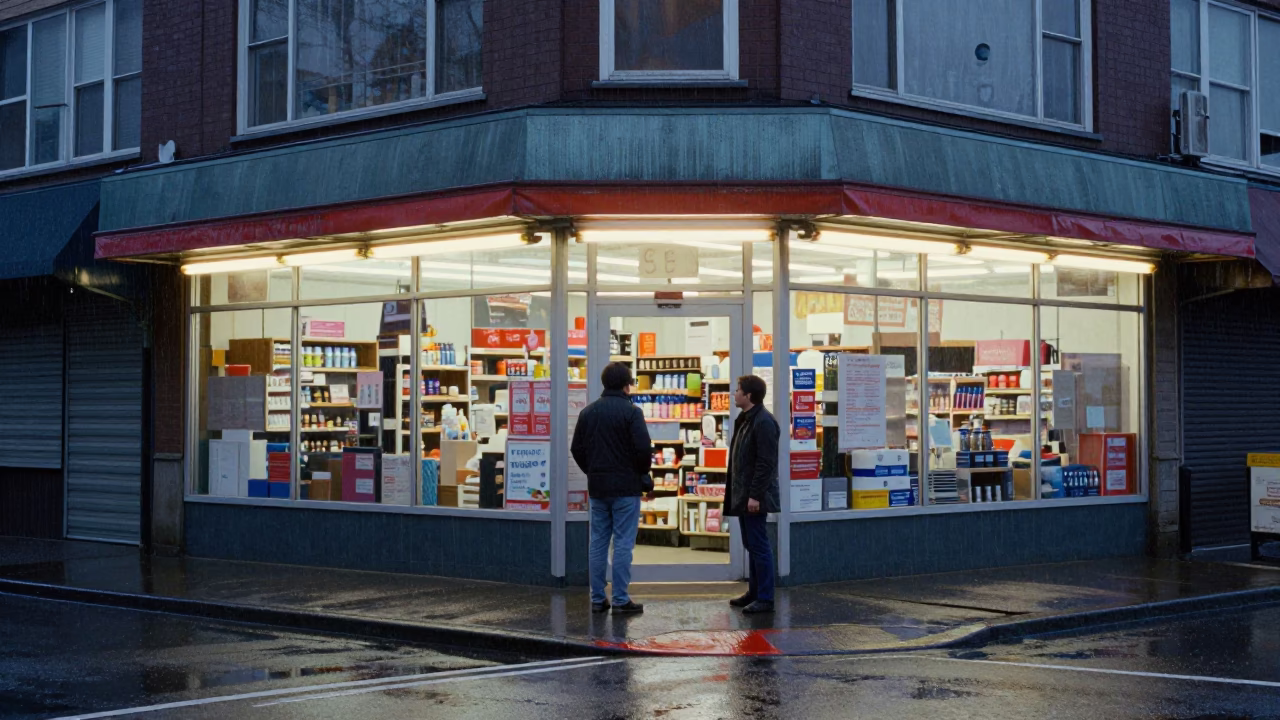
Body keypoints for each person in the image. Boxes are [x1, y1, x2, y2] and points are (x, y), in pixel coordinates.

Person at [571, 361, 652, 615]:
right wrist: (641, 474)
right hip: (626, 489)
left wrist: (593, 472)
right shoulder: (632, 412)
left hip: (598, 489)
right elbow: (643, 450)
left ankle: (597, 599)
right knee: (623, 544)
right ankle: (619, 599)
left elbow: (577, 449)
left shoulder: (588, 412)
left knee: (597, 543)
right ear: (626, 384)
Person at [723, 374, 781, 614]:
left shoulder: (763, 422)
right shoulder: (745, 419)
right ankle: (755, 592)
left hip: (754, 495)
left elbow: (766, 463)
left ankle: (765, 597)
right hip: (744, 493)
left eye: (738, 390)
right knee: (751, 543)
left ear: (749, 396)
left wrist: (755, 495)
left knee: (759, 545)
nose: (734, 394)